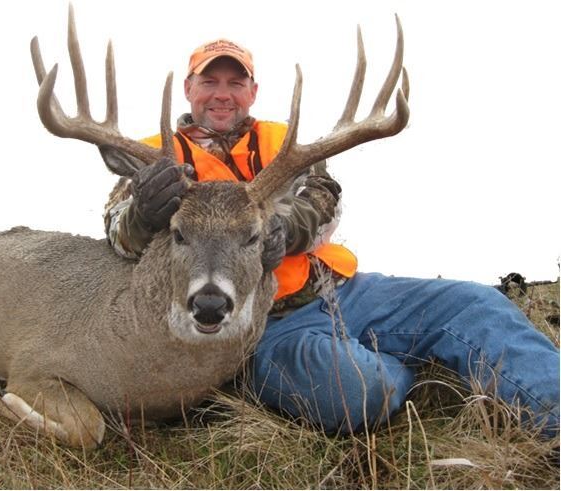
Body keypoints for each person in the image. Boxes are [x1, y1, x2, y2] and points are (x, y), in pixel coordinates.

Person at [98, 38, 560, 437]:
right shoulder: (153, 156)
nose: (223, 94)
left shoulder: (283, 144)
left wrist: (284, 230)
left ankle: (553, 415)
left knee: (473, 304)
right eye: (209, 82)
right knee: (360, 393)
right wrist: (142, 213)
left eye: (235, 83)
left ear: (252, 92)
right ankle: (406, 370)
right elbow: (118, 235)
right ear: (189, 89)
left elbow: (326, 198)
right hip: (267, 325)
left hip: (341, 290)